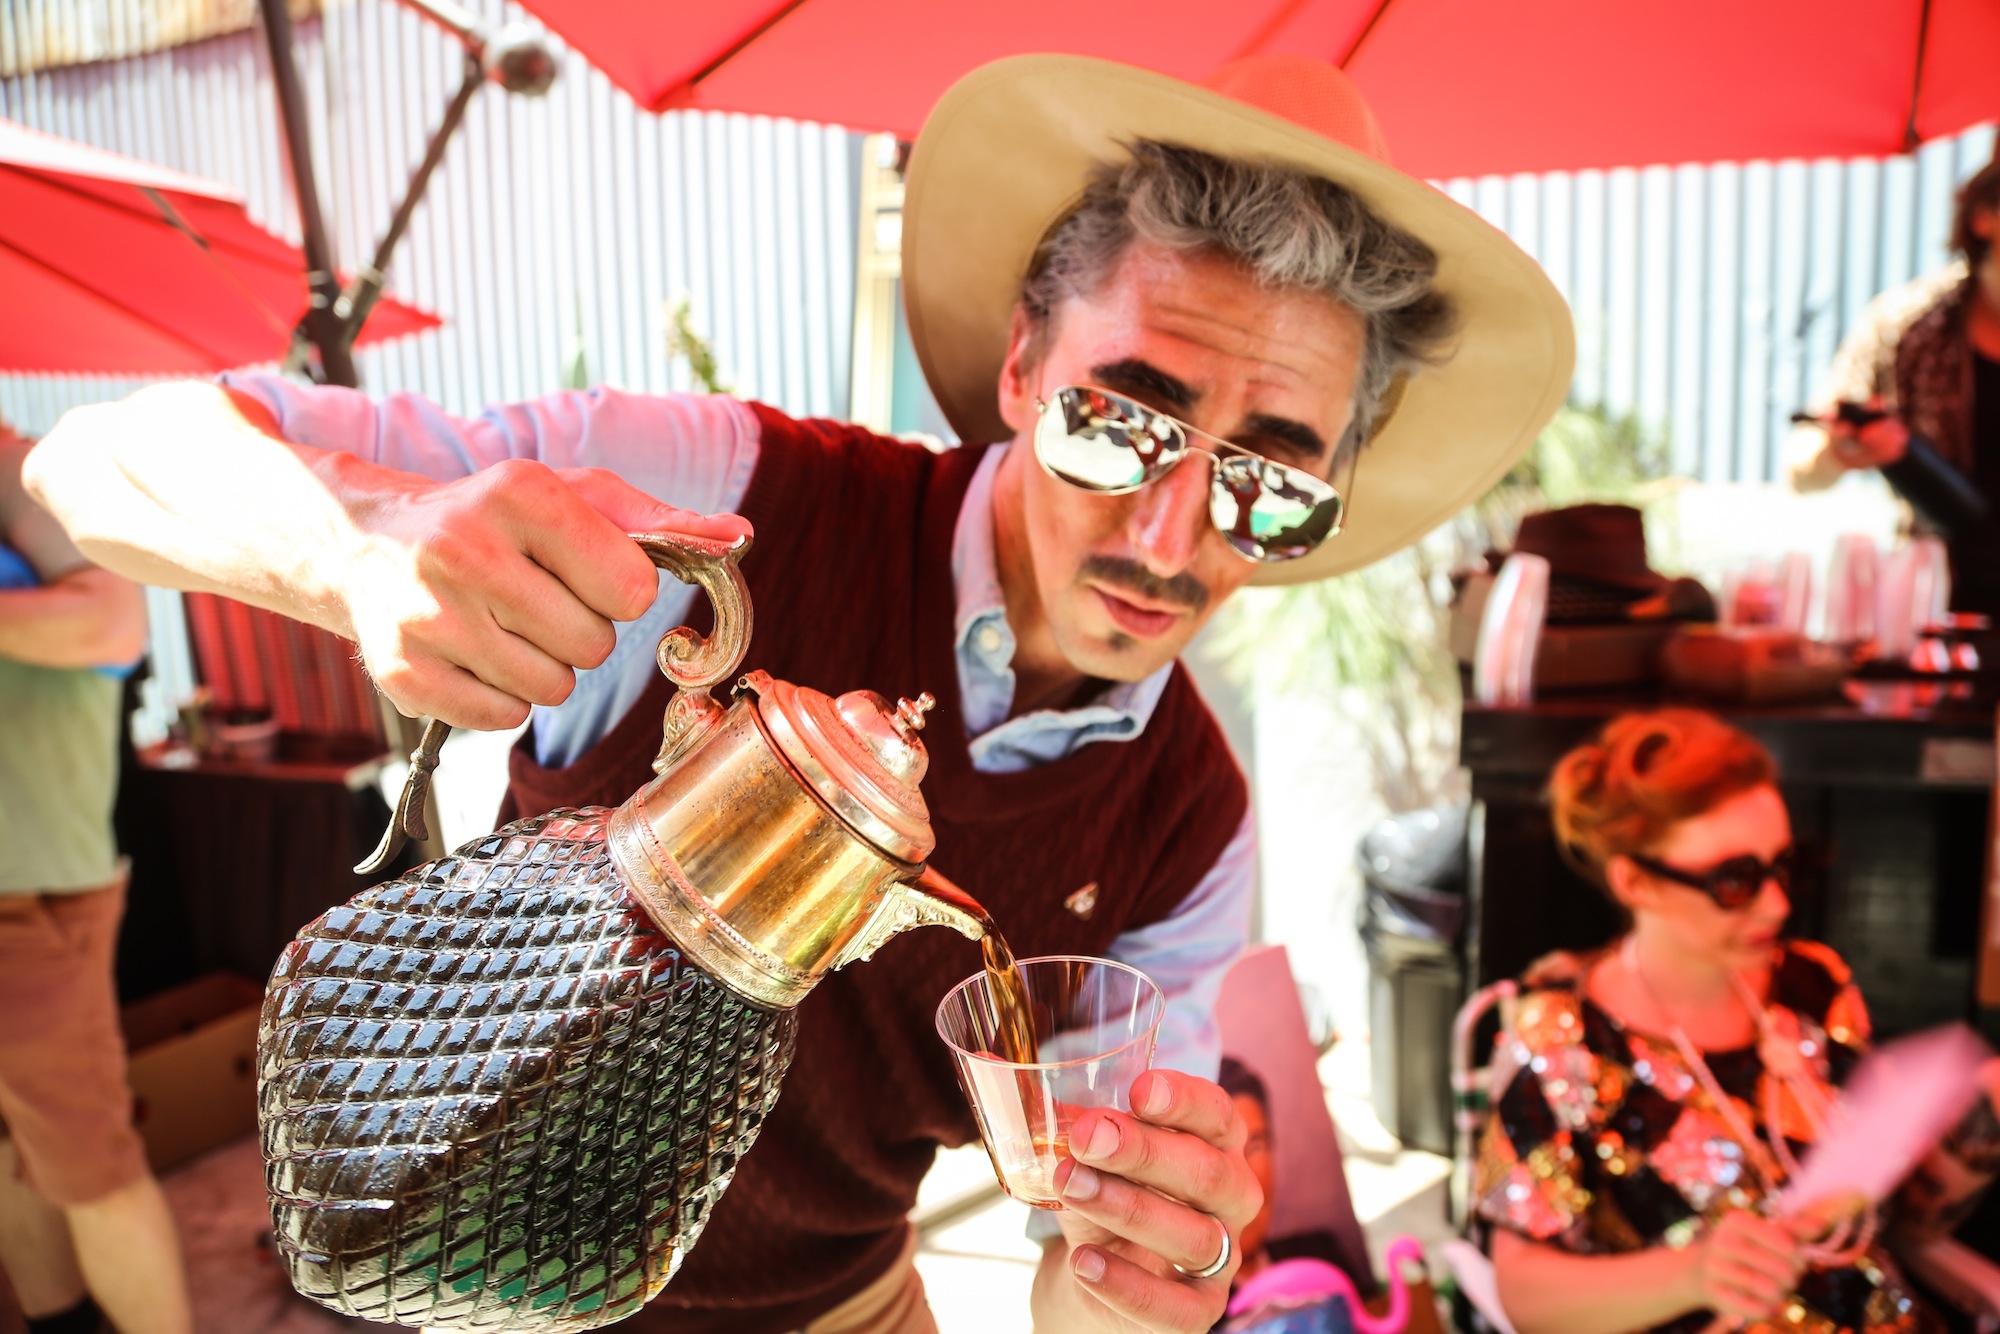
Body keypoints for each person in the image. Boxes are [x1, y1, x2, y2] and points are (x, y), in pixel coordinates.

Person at [28, 53, 1569, 1334]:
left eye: (1272, 484)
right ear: (1026, 364)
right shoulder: (735, 504)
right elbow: (92, 464)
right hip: (458, 1262)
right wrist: (371, 540)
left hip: (841, 1306)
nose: (1171, 544)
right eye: (1123, 421)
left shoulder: (1190, 823)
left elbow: (1077, 1268)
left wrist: (1146, 1261)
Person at [1474, 708, 2000, 1334]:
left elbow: (1894, 1227)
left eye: (1783, 865)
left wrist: (1972, 1125)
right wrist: (1694, 1273)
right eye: (1735, 880)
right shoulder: (1563, 1043)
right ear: (1635, 881)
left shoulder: (1812, 985)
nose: (1777, 903)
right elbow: (1523, 1291)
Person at [0, 422, 191, 1334]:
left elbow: (114, 618)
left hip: (27, 898)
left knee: (88, 1167)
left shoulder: (26, 473)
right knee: (17, 1159)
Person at [1785, 152, 2000, 617]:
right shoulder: (1906, 327)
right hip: (1941, 618)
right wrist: (1839, 451)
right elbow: (1802, 468)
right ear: (1985, 217)